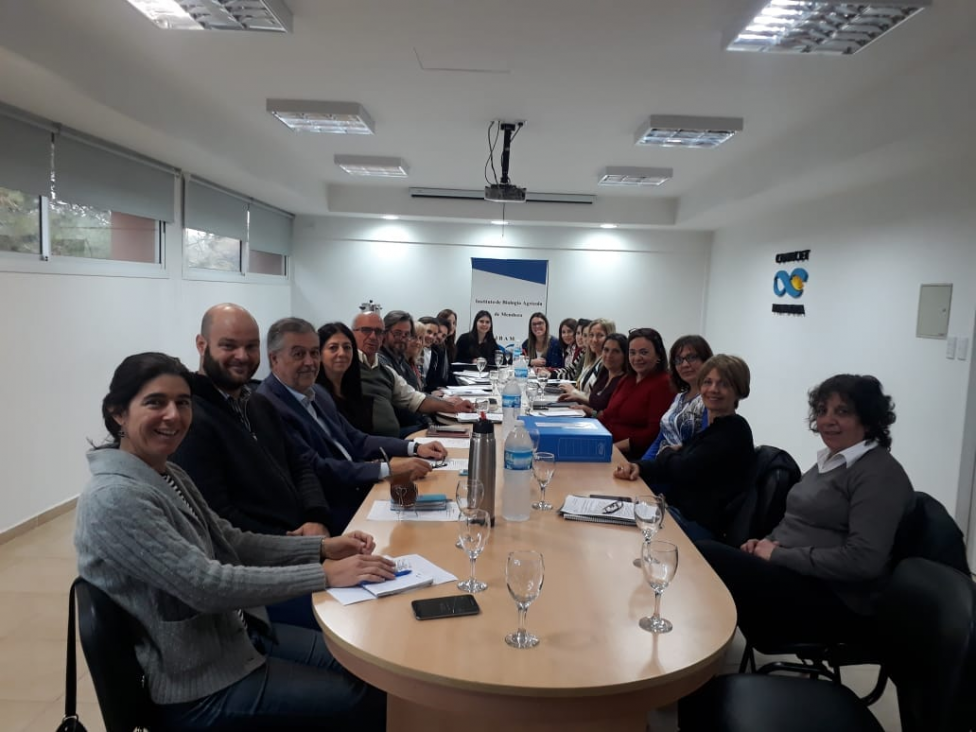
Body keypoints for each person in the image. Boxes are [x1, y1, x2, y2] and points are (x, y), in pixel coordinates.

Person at [76, 352, 393, 731]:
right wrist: (324, 575)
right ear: (118, 413)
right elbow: (206, 585)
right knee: (370, 696)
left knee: (376, 668)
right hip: (200, 684)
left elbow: (231, 540)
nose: (173, 416)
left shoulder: (164, 471)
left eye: (182, 402)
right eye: (155, 402)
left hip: (235, 637)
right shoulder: (116, 498)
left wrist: (322, 548)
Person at [695, 374, 914, 648]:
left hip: (833, 600)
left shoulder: (878, 474)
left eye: (842, 412)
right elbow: (797, 519)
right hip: (796, 576)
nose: (827, 420)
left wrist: (778, 554)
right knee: (703, 557)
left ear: (868, 419)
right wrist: (766, 543)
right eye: (822, 411)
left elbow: (864, 560)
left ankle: (685, 664)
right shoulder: (831, 460)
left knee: (703, 555)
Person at [258, 317, 448, 534]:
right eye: (299, 354)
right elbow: (317, 467)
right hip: (334, 510)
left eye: (314, 353)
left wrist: (414, 447)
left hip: (362, 489)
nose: (310, 362)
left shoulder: (317, 393)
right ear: (274, 359)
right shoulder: (267, 405)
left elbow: (357, 439)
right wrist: (389, 469)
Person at [172, 304, 331, 538]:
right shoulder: (190, 419)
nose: (242, 356)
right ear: (201, 345)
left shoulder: (260, 404)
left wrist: (316, 517)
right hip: (264, 559)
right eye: (229, 345)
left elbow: (299, 467)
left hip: (307, 540)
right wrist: (293, 542)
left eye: (251, 346)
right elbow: (218, 516)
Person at [614, 354, 755, 540]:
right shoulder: (713, 428)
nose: (713, 389)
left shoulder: (734, 431)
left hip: (697, 527)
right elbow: (675, 463)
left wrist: (666, 453)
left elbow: (682, 468)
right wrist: (639, 466)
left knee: (618, 532)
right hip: (677, 513)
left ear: (738, 390)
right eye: (708, 382)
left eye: (724, 384)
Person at [352, 311, 474, 438]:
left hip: (396, 436)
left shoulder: (388, 367)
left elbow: (414, 398)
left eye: (407, 334)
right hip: (384, 440)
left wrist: (454, 407)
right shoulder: (353, 366)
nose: (373, 336)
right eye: (398, 333)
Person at [598, 327, 672, 459]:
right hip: (606, 446)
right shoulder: (628, 378)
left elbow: (652, 434)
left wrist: (613, 448)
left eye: (644, 352)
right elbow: (608, 415)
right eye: (632, 352)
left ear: (658, 355)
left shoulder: (663, 383)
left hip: (632, 457)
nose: (637, 358)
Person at [641, 335, 714, 461]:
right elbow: (661, 438)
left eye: (691, 357)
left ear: (706, 360)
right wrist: (640, 466)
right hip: (661, 465)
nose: (685, 364)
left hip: (682, 469)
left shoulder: (710, 400)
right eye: (678, 360)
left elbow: (702, 448)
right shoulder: (679, 396)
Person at [316, 321, 374, 434]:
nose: (342, 353)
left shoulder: (355, 393)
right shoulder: (315, 398)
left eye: (347, 347)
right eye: (333, 348)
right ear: (319, 354)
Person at [377, 310, 429, 434]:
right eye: (397, 333)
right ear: (385, 333)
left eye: (406, 334)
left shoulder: (401, 360)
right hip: (398, 433)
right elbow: (407, 402)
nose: (402, 339)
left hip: (414, 424)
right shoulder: (382, 362)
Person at [558, 332, 627, 418]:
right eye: (606, 350)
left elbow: (610, 416)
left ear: (625, 355)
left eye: (615, 351)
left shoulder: (624, 381)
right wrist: (576, 398)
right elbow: (597, 402)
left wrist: (589, 411)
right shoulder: (604, 374)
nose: (609, 355)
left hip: (604, 428)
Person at [561, 317, 614, 400]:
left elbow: (600, 401)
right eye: (591, 335)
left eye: (600, 335)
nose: (594, 340)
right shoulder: (589, 359)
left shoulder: (607, 364)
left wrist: (574, 392)